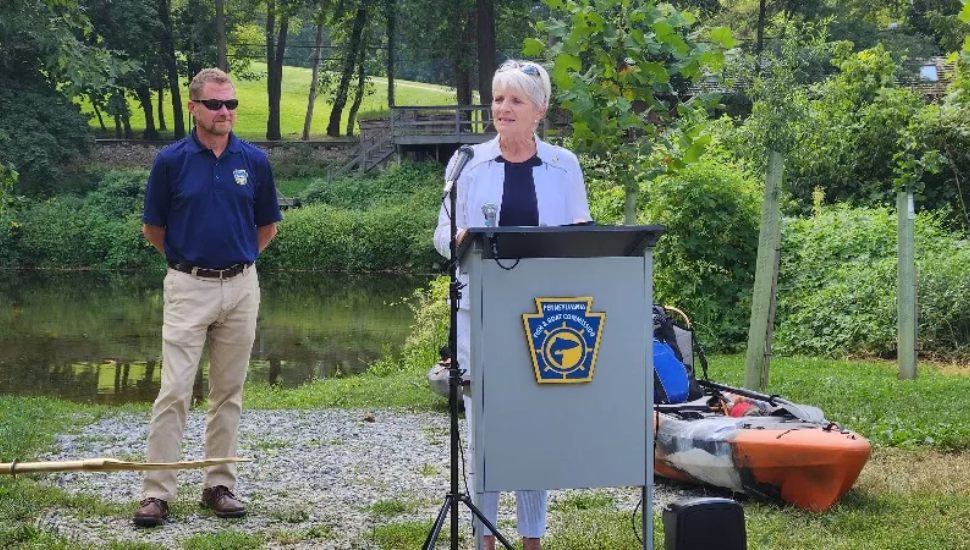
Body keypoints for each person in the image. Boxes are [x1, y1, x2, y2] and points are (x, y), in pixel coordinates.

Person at [432, 59, 592, 550]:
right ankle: (483, 538)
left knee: (534, 429)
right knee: (486, 432)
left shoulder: (564, 165)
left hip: (544, 319)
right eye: (498, 98)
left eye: (515, 100)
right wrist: (458, 238)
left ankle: (531, 540)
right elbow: (440, 237)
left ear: (539, 110)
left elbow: (580, 238)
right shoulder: (467, 164)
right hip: (481, 314)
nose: (503, 108)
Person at [134, 68, 282, 527]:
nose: (225, 112)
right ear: (194, 107)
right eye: (216, 104)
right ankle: (157, 492)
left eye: (231, 104)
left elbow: (267, 226)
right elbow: (153, 229)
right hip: (187, 286)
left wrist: (234, 264)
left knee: (228, 392)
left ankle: (219, 485)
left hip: (241, 287)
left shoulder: (253, 161)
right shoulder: (171, 161)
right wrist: (191, 265)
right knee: (175, 389)